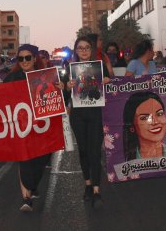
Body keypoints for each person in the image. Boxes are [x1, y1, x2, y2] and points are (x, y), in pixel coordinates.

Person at [3, 44, 56, 212]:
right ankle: (26, 199)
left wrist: (60, 90)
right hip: (21, 127)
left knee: (40, 160)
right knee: (24, 159)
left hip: (42, 126)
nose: (24, 61)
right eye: (21, 58)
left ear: (34, 59)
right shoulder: (11, 78)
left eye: (28, 58)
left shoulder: (45, 77)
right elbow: (0, 98)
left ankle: (32, 186)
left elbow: (57, 100)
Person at [64, 36, 110, 208]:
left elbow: (112, 88)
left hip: (96, 114)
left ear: (91, 50)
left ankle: (97, 190)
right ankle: (88, 185)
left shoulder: (100, 67)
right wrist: (68, 87)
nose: (83, 50)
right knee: (83, 151)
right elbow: (65, 96)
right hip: (78, 116)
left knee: (95, 152)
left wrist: (107, 81)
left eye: (87, 47)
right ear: (76, 50)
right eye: (80, 48)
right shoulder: (69, 69)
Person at [123, 91, 166, 161]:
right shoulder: (123, 161)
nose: (155, 122)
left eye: (159, 114)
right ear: (132, 127)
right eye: (145, 118)